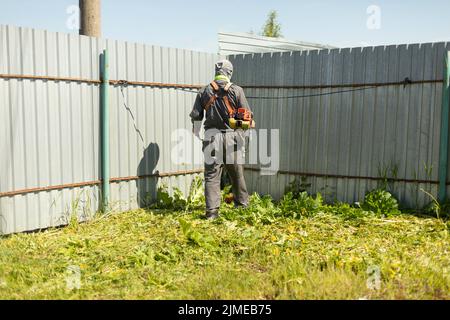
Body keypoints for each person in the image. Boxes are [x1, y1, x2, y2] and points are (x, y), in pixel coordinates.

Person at [190, 59, 253, 219]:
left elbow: (196, 116)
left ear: (216, 72)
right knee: (237, 173)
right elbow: (247, 116)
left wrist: (197, 132)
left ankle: (211, 213)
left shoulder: (204, 91)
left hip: (211, 137)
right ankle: (242, 207)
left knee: (211, 176)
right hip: (233, 138)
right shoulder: (237, 90)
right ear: (229, 72)